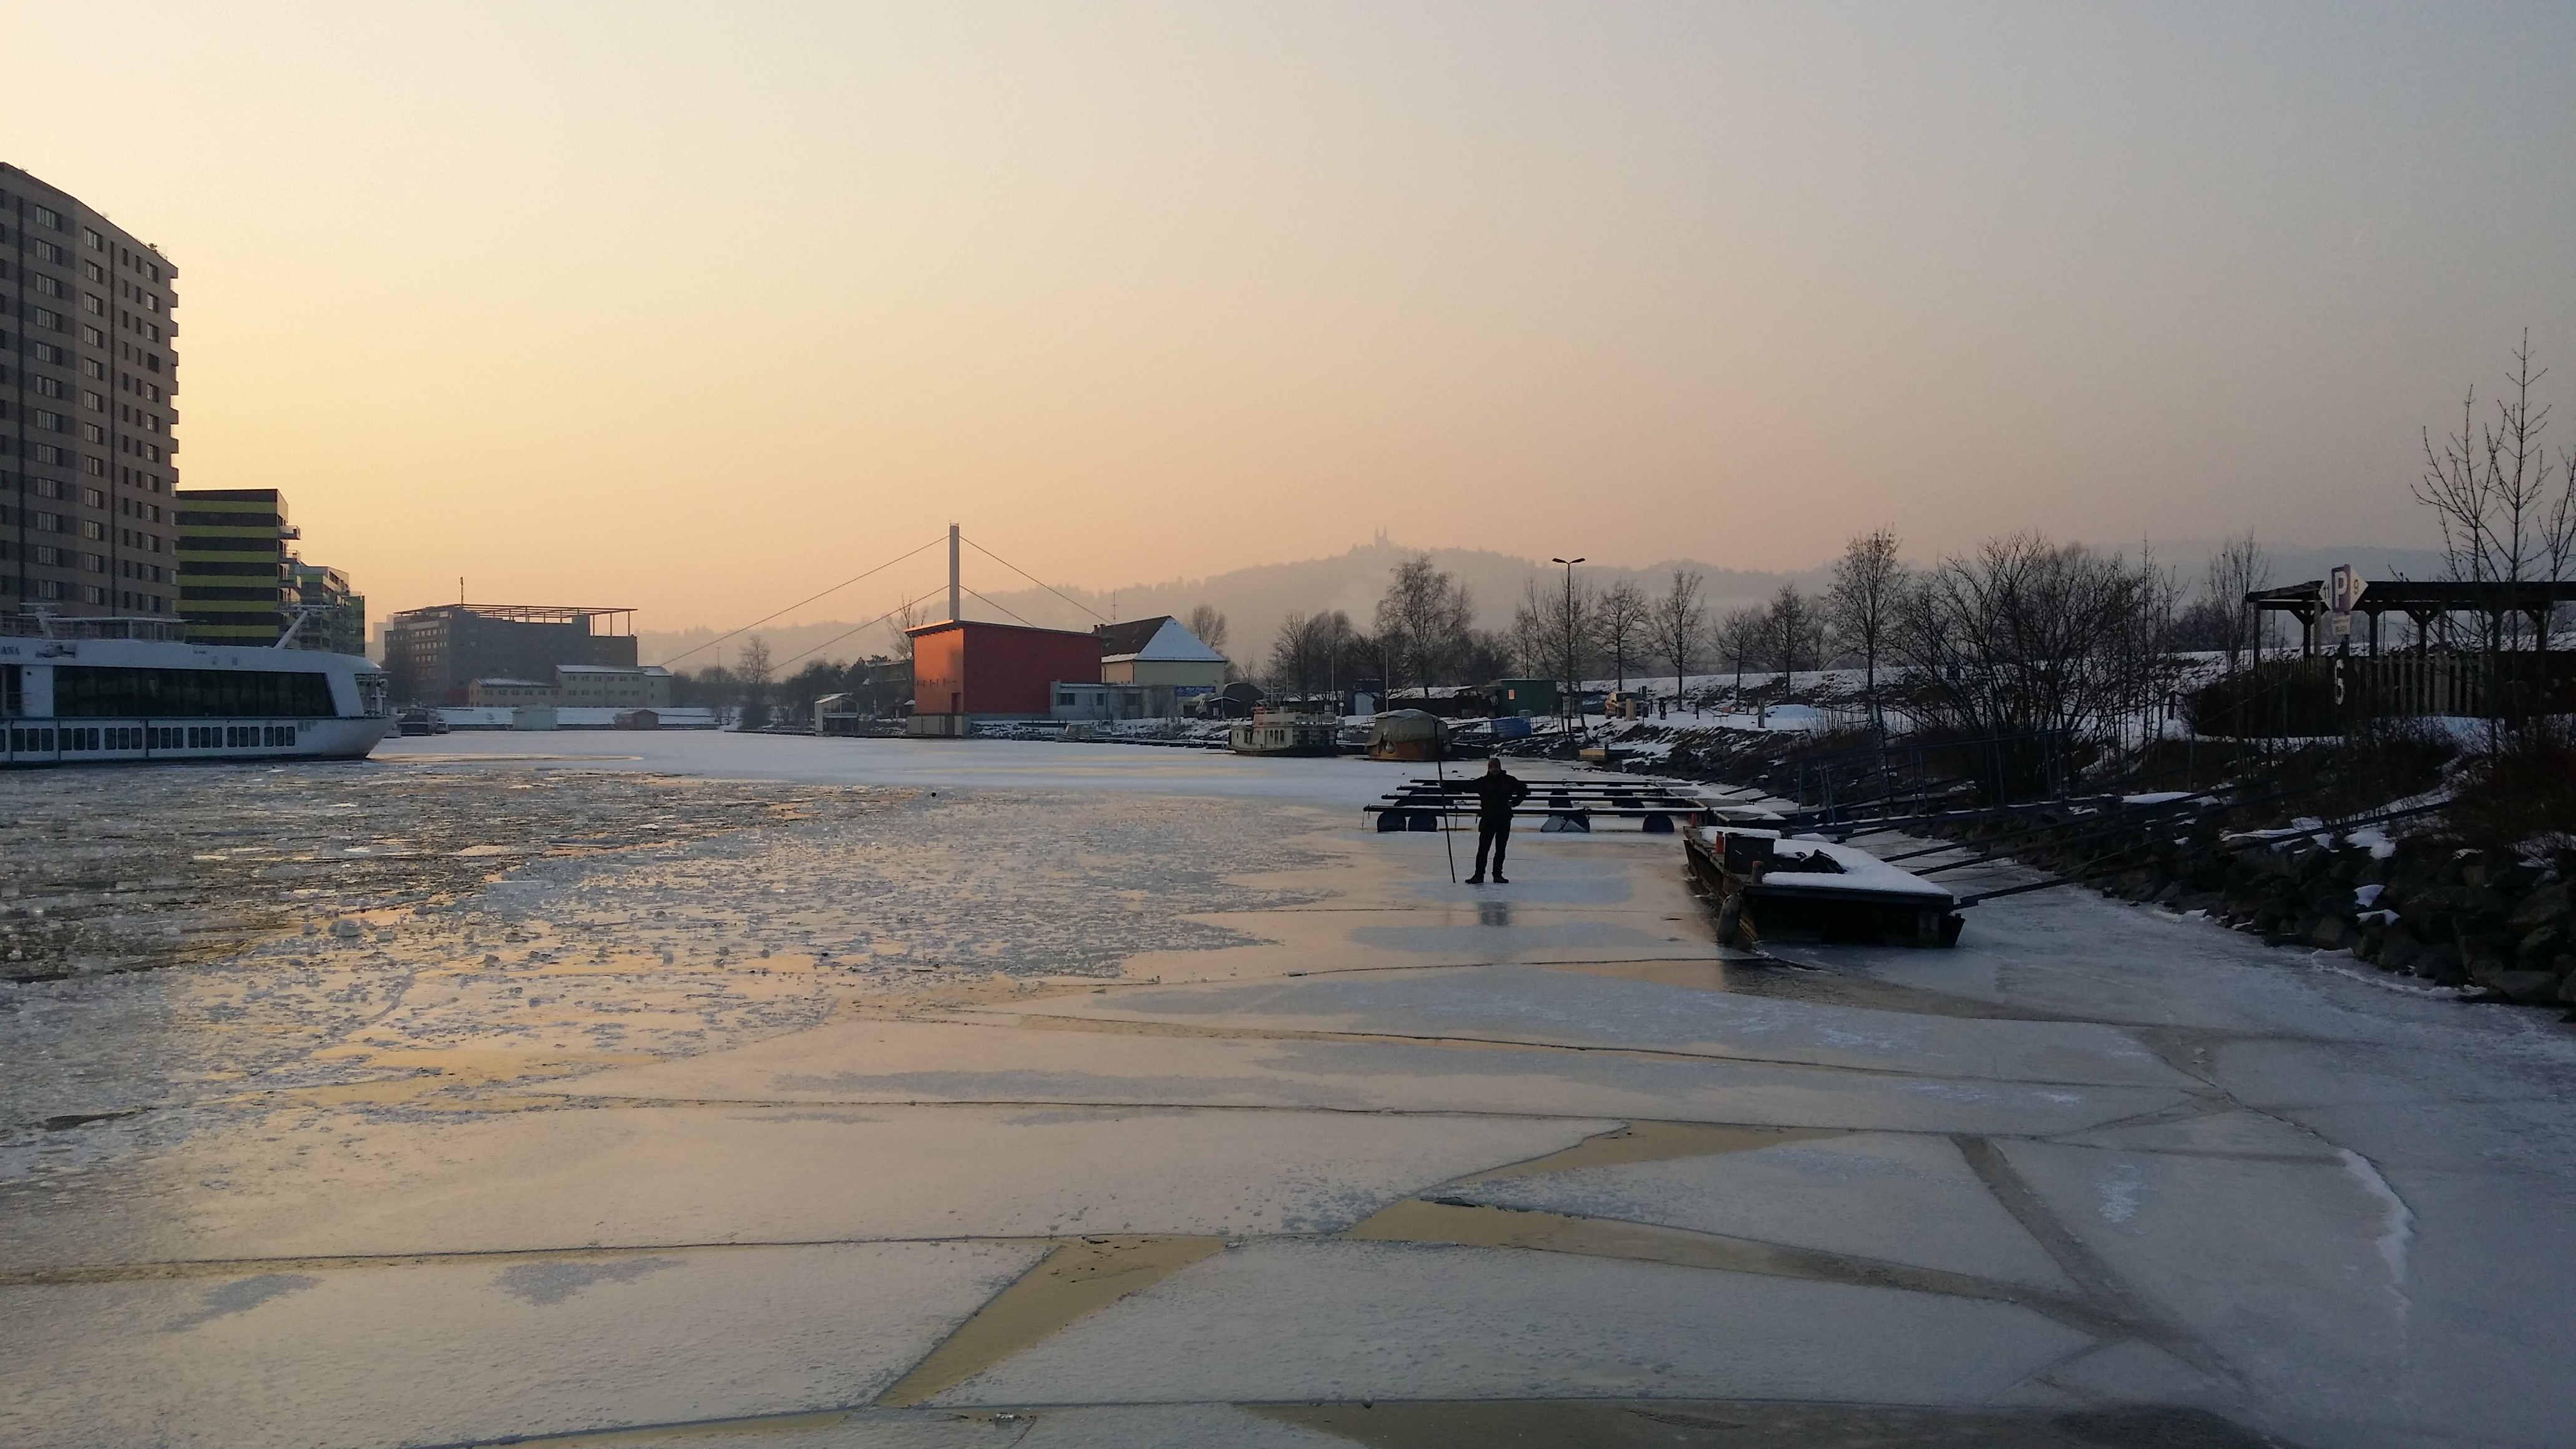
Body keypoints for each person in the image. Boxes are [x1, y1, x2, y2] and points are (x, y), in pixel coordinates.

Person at [1464, 756, 1530, 884]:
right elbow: (1467, 786)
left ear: (1500, 768)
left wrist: (1515, 803)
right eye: (1492, 767)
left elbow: (1524, 790)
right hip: (1488, 819)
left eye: (1496, 767)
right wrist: (1447, 785)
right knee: (1483, 849)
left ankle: (1498, 875)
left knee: (1501, 849)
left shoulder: (1509, 781)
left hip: (1504, 819)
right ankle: (1479, 875)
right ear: (1488, 769)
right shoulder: (1483, 782)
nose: (1494, 769)